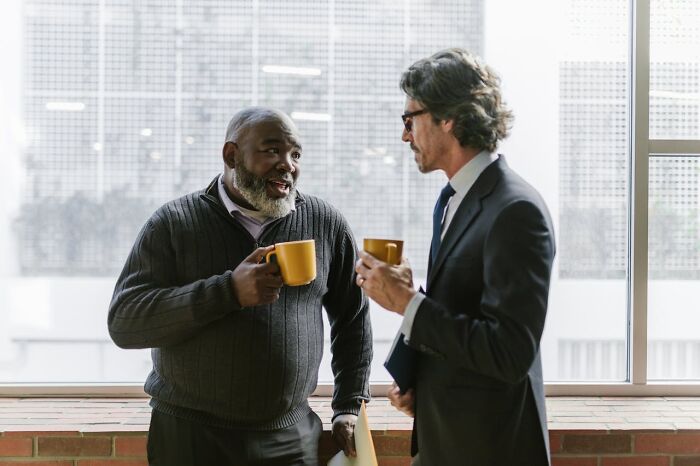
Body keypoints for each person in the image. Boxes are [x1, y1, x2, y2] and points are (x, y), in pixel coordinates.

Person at [108, 107, 372, 466]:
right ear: (231, 155)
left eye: (295, 154)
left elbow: (353, 317)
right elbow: (125, 322)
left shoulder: (325, 222)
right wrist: (227, 291)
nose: (287, 164)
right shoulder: (173, 223)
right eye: (271, 150)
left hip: (290, 438)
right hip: (190, 437)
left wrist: (348, 405)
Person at [355, 48, 556, 466]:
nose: (405, 135)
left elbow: (509, 351)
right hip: (446, 438)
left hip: (490, 449)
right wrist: (417, 379)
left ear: (448, 117)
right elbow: (462, 310)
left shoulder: (516, 211)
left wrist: (406, 303)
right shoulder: (453, 200)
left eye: (409, 119)